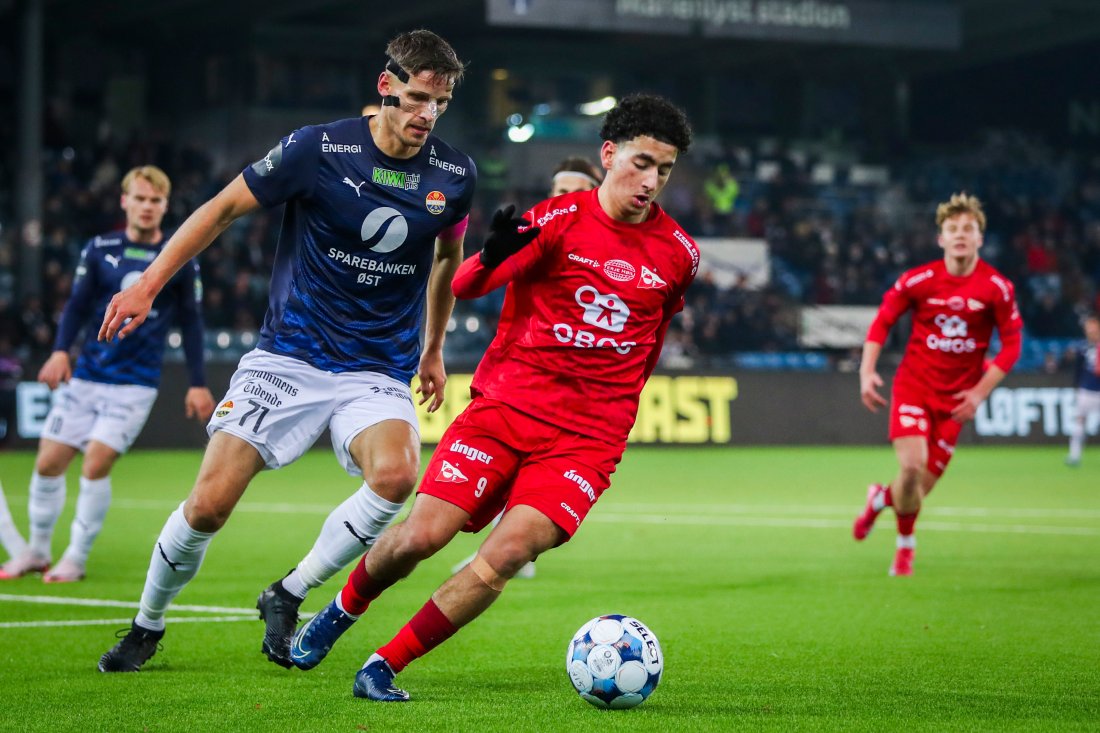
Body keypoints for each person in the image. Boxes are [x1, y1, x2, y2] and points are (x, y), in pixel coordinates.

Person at [287, 93, 696, 702]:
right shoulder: (556, 220)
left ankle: (383, 664)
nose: (651, 181)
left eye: (663, 170)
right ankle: (343, 608)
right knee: (422, 537)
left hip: (586, 440)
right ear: (609, 155)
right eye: (641, 162)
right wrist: (495, 253)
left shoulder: (679, 254)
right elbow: (468, 283)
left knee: (508, 550)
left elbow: (652, 341)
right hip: (505, 412)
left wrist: (613, 411)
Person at [96, 29, 476, 673]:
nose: (425, 116)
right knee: (209, 505)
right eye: (414, 99)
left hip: (375, 367)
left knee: (395, 477)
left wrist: (434, 348)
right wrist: (149, 283)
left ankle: (288, 592)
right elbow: (220, 211)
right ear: (385, 86)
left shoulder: (454, 174)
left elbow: (447, 259)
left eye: (438, 104)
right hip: (289, 357)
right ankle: (147, 624)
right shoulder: (318, 148)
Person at [0, 166, 214, 584]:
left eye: (155, 200)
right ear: (124, 201)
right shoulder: (99, 248)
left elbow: (192, 323)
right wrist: (60, 351)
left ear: (165, 206)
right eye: (140, 198)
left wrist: (197, 381)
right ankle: (39, 553)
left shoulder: (178, 256)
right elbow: (78, 306)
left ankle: (75, 559)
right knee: (47, 462)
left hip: (135, 383)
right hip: (86, 376)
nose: (147, 207)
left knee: (95, 463)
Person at [852, 192, 1023, 576]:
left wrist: (979, 393)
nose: (960, 234)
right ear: (940, 238)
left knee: (915, 493)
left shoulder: (997, 287)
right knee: (911, 469)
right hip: (914, 387)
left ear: (981, 237)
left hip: (956, 401)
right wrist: (867, 371)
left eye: (968, 228)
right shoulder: (918, 280)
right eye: (952, 228)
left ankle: (879, 499)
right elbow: (882, 322)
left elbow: (1012, 346)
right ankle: (905, 549)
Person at [450, 154, 603, 579]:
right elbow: (464, 285)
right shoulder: (539, 234)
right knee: (458, 507)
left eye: (576, 193)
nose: (565, 201)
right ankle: (501, 552)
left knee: (533, 484)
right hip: (517, 384)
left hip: (578, 403)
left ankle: (507, 554)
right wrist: (489, 256)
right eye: (559, 193)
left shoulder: (612, 255)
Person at [1066, 314, 1100, 467]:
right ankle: (1074, 455)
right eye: (1088, 328)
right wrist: (1077, 387)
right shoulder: (1082, 348)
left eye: (1093, 328)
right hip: (1086, 391)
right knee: (1080, 422)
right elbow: (1077, 370)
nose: (1091, 331)